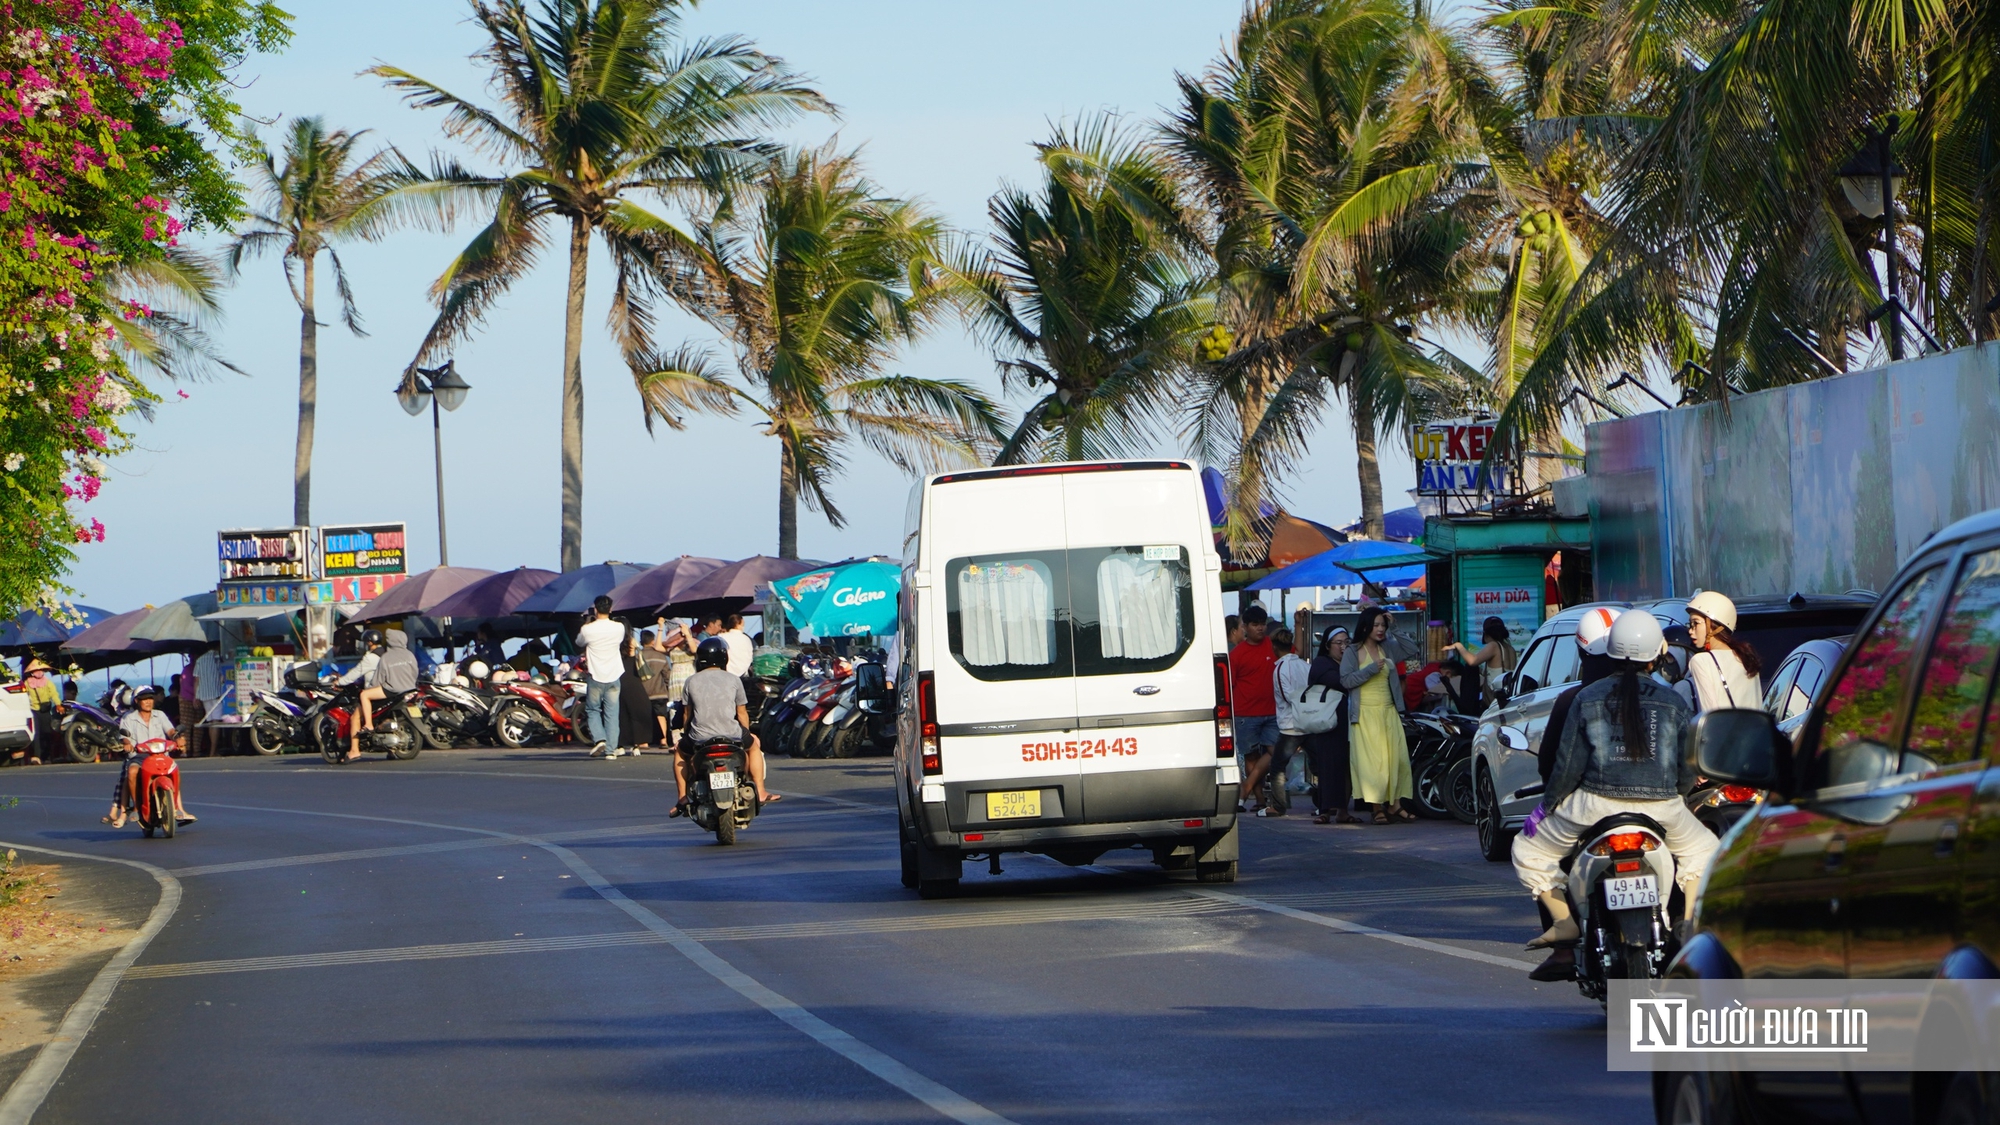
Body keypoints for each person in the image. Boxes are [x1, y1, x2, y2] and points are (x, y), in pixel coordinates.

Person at [1511, 611, 1715, 964]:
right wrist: (1676, 801)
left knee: (1528, 850)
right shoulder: (1674, 702)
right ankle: (1689, 923)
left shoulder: (1585, 697)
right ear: (1658, 654)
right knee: (1706, 851)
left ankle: (1563, 922)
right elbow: (1685, 770)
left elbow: (1567, 766)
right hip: (1662, 809)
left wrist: (1546, 807)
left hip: (1593, 806)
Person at [1524, 605, 1622, 981]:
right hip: (1657, 805)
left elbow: (1551, 767)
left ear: (1582, 652)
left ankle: (1565, 944)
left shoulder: (1574, 701)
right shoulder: (1662, 696)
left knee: (1535, 847)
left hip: (1589, 812)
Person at [674, 637, 778, 812]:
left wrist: (686, 734)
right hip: (732, 734)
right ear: (724, 657)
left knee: (679, 751)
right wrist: (746, 732)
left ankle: (683, 797)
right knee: (754, 746)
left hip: (700, 737)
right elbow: (742, 713)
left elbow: (687, 714)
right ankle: (760, 791)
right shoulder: (734, 680)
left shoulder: (691, 681)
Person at [1341, 605, 1418, 823]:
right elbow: (1345, 680)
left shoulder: (1388, 647)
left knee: (1396, 760)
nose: (1380, 629)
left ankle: (1395, 805)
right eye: (1376, 625)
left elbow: (1411, 648)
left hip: (1388, 711)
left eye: (1382, 625)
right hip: (1365, 714)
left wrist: (1395, 626)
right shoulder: (1352, 651)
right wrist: (1370, 670)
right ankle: (1377, 808)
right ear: (1365, 626)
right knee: (1373, 764)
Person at [1244, 628, 1309, 817]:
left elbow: (1287, 695)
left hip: (1290, 725)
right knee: (1317, 763)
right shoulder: (1305, 666)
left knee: (1277, 766)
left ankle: (1278, 806)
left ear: (1274, 647)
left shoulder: (1280, 668)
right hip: (1308, 722)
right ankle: (1325, 804)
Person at [104, 687, 191, 828]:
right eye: (144, 699)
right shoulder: (129, 718)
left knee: (174, 770)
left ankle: (178, 808)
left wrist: (177, 738)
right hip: (139, 757)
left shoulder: (160, 715)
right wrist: (127, 744)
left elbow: (170, 731)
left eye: (150, 698)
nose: (148, 702)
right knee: (131, 772)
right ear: (137, 701)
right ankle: (137, 808)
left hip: (161, 755)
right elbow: (125, 737)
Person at [1228, 605, 1279, 811]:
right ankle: (1259, 799)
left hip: (1273, 711)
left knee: (1277, 751)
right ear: (1245, 627)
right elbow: (1230, 685)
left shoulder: (1273, 645)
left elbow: (1296, 652)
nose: (1260, 628)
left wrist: (1301, 625)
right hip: (1245, 713)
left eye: (1263, 624)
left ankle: (1246, 787)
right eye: (1255, 624)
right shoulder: (1237, 654)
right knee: (1251, 757)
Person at [1306, 628, 1355, 824]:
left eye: (1346, 642)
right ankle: (1324, 810)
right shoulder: (1321, 664)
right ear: (1327, 646)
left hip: (1348, 721)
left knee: (1346, 768)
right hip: (1328, 723)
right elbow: (1341, 682)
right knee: (1328, 767)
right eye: (1338, 643)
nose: (1343, 647)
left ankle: (1343, 810)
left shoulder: (1348, 663)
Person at [1683, 591, 1762, 711]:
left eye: (1695, 623)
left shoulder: (1700, 661)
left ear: (1713, 624)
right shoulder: (1746, 657)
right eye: (1690, 624)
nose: (1690, 630)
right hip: (1756, 729)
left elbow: (1710, 714)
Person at [350, 632, 419, 762]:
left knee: (364, 695)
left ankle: (369, 724)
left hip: (392, 690)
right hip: (410, 689)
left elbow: (378, 679)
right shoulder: (410, 655)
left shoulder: (387, 657)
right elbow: (415, 672)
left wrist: (371, 687)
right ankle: (391, 749)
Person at [577, 596, 627, 758]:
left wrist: (586, 624)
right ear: (610, 609)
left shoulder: (588, 629)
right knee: (612, 714)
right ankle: (611, 751)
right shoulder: (619, 627)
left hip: (595, 675)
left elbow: (579, 642)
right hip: (614, 674)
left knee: (592, 709)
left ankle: (600, 739)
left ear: (595, 609)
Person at [1449, 616, 1519, 700]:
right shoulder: (1510, 649)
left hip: (1495, 698)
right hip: (1508, 695)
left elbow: (1472, 661)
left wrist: (1459, 646)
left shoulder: (1493, 645)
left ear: (1486, 634)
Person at [617, 624, 654, 752]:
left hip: (617, 677)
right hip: (632, 677)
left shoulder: (614, 642)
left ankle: (620, 744)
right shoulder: (631, 641)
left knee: (621, 712)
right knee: (637, 710)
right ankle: (636, 744)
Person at [639, 628, 677, 747]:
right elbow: (667, 675)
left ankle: (643, 742)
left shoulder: (638, 656)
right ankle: (664, 740)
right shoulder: (660, 656)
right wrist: (667, 688)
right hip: (659, 692)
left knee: (643, 716)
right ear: (652, 641)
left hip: (642, 692)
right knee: (661, 715)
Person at [19, 658, 57, 765]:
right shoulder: (27, 683)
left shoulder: (47, 682)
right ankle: (37, 756)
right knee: (36, 733)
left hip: (45, 710)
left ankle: (47, 755)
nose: (38, 673)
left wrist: (58, 704)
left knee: (47, 733)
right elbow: (24, 696)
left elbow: (53, 693)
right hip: (33, 710)